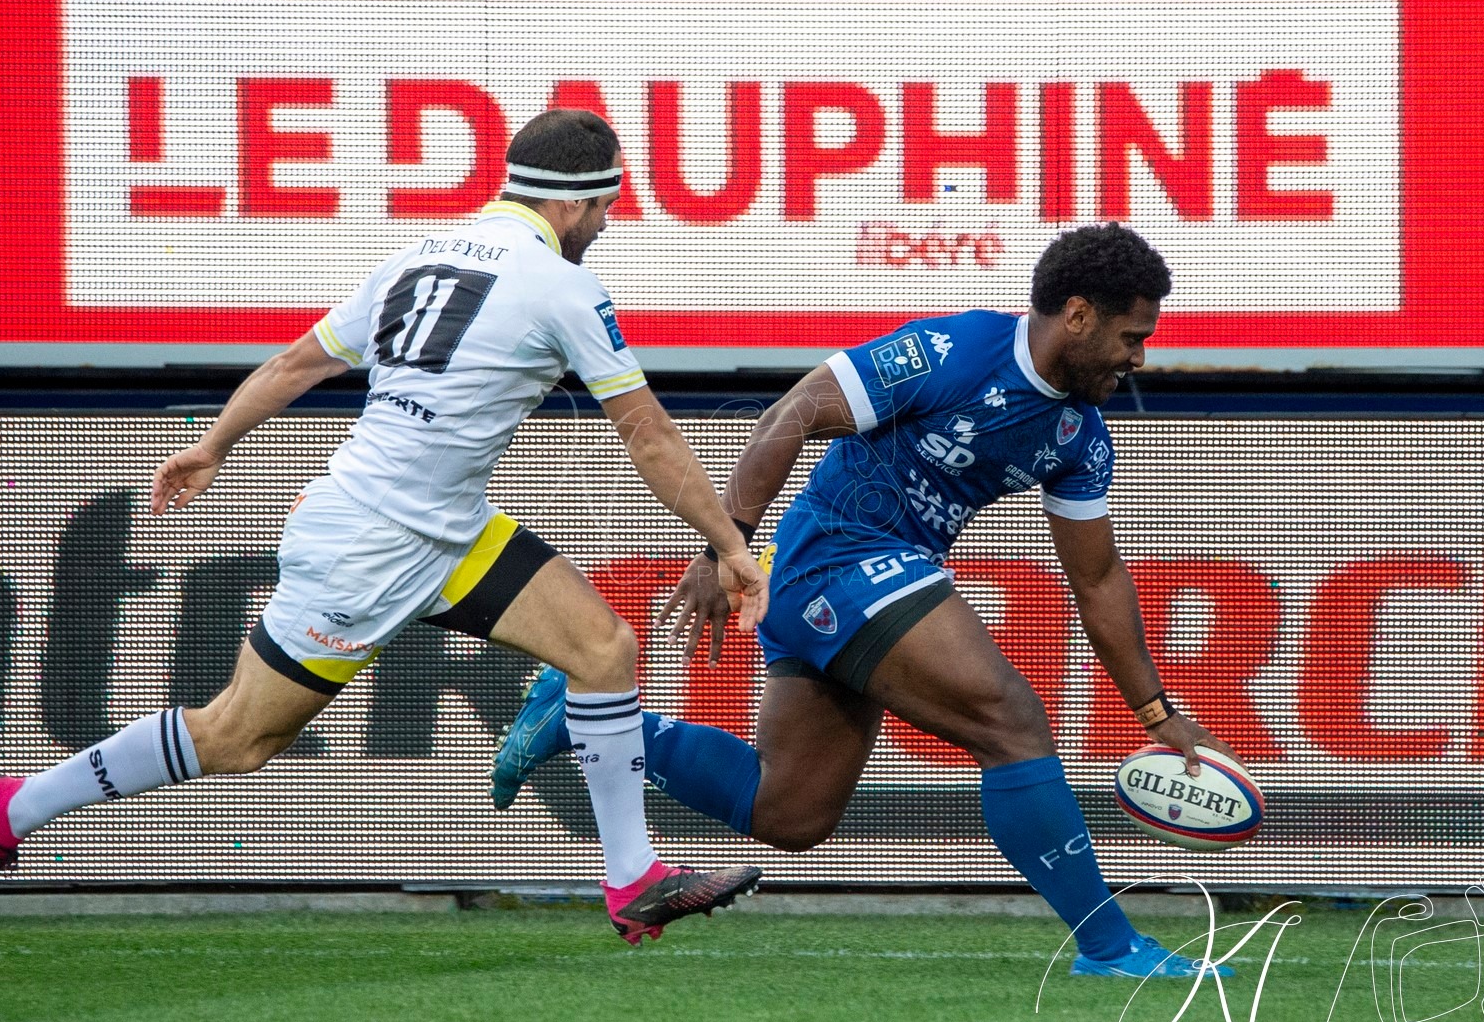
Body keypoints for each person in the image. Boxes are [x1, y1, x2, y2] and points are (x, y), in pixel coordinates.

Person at [0, 109, 768, 945]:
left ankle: (632, 880)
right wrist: (733, 547)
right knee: (237, 735)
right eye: (605, 207)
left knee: (603, 651)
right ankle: (13, 804)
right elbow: (649, 435)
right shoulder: (565, 286)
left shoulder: (418, 256)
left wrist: (211, 447)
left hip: (445, 529)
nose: (607, 223)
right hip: (373, 543)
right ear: (573, 202)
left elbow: (296, 363)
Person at [492, 223, 1239, 977]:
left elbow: (1099, 581)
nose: (1139, 356)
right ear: (1077, 316)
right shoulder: (953, 353)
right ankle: (1110, 949)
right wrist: (726, 547)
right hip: (836, 557)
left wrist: (1157, 713)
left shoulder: (1082, 435)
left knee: (790, 811)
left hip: (859, 584)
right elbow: (792, 415)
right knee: (1011, 721)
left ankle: (591, 721)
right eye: (1131, 335)